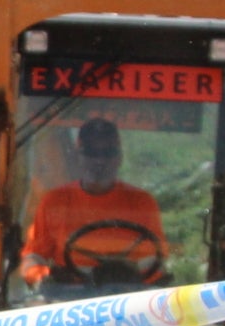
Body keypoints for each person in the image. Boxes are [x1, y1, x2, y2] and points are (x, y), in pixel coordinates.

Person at [19, 117, 170, 287]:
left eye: (108, 153)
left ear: (119, 158)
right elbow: (33, 257)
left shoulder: (142, 202)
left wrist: (130, 275)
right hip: (68, 301)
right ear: (78, 157)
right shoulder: (55, 201)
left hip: (128, 300)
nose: (99, 161)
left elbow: (155, 260)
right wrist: (44, 278)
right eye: (91, 153)